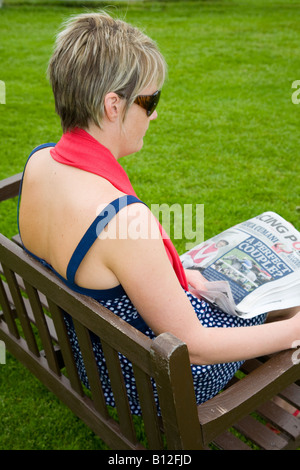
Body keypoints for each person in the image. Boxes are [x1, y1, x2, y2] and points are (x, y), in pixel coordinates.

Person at [18, 12, 300, 414]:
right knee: (288, 299)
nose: (154, 114)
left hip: (95, 360)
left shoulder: (40, 162)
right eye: (150, 101)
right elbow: (197, 349)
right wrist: (293, 330)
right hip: (143, 383)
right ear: (112, 105)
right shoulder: (122, 222)